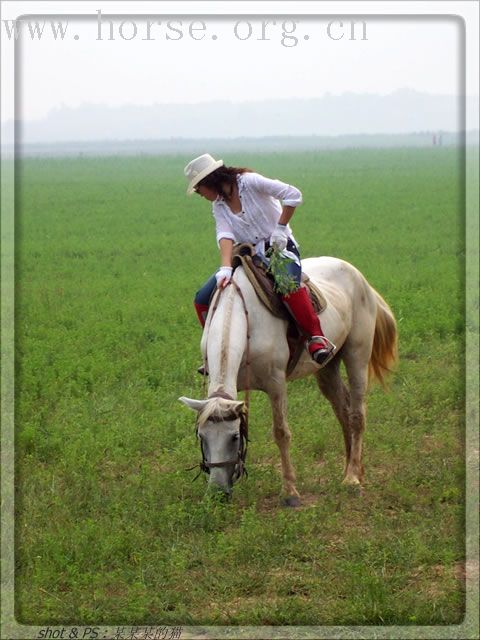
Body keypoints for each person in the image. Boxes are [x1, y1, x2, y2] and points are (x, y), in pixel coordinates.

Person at [184, 153, 336, 368]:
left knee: (287, 286)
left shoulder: (249, 182)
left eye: (199, 189)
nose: (199, 194)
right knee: (202, 299)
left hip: (278, 247)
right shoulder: (218, 205)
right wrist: (225, 267)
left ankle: (316, 338)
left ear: (209, 181)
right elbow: (224, 235)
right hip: (248, 253)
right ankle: (215, 351)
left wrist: (281, 228)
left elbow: (293, 194)